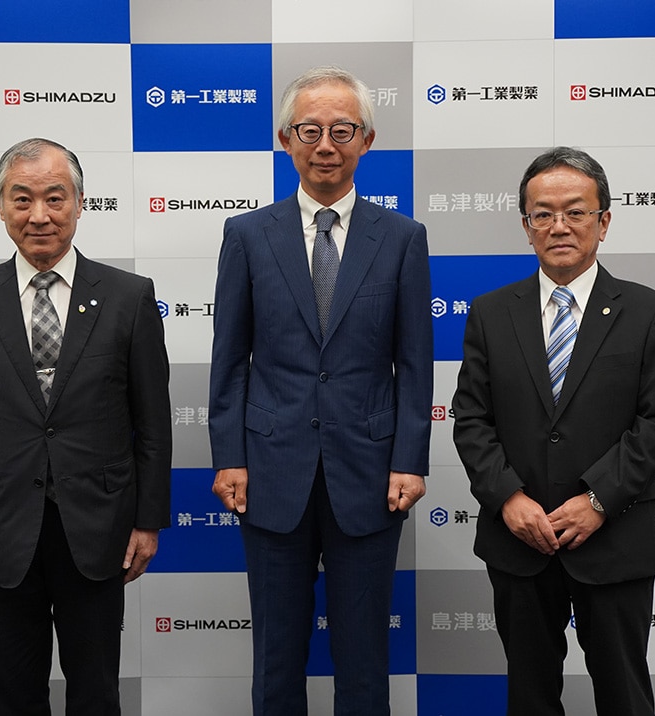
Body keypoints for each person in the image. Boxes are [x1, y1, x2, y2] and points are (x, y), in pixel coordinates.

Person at [208, 66, 433, 715]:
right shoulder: (248, 235)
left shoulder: (402, 238)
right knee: (277, 660)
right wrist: (230, 455)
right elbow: (229, 360)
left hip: (369, 473)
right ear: (285, 138)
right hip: (270, 474)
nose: (325, 145)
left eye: (342, 130)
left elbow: (415, 362)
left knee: (364, 661)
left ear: (367, 139)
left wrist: (409, 460)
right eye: (311, 130)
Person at [0, 137, 172, 715]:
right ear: (0, 206)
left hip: (98, 527)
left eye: (54, 198)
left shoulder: (127, 296)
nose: (39, 215)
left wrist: (147, 520)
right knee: (11, 692)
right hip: (2, 529)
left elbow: (152, 421)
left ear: (80, 204)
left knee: (95, 691)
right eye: (22, 199)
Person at [452, 146, 655, 716]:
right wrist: (509, 498)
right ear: (526, 225)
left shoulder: (649, 310)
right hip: (519, 539)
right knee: (530, 696)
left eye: (576, 211)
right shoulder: (490, 312)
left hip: (614, 537)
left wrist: (597, 499)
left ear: (603, 221)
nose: (559, 226)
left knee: (624, 694)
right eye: (542, 213)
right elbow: (470, 418)